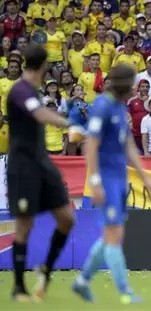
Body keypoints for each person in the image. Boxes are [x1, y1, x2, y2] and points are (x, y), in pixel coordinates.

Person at [72, 64, 151, 304]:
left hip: (119, 179)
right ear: (121, 84)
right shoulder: (102, 106)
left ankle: (82, 281)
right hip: (106, 180)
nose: (134, 87)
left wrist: (146, 178)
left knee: (112, 233)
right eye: (131, 83)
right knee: (114, 234)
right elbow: (91, 144)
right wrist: (95, 181)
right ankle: (124, 289)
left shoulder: (120, 108)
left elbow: (128, 145)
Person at [7, 43, 74, 301]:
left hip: (42, 164)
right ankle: (19, 287)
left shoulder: (32, 91)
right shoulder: (20, 91)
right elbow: (40, 114)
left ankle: (45, 269)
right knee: (25, 224)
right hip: (22, 167)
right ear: (45, 66)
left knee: (67, 219)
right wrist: (67, 122)